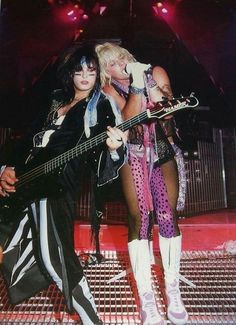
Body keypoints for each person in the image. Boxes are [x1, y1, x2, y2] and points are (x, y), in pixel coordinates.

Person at [0, 45, 128, 325]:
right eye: (79, 70)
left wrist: (114, 148)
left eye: (91, 72)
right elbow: (25, 140)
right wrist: (6, 168)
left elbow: (108, 151)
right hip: (25, 184)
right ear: (69, 73)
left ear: (98, 76)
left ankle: (92, 320)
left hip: (55, 189)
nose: (84, 76)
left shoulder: (100, 106)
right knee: (19, 244)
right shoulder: (56, 101)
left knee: (55, 260)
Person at [95, 42, 188, 325]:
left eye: (121, 56)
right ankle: (146, 297)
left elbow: (168, 112)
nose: (119, 63)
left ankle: (173, 290)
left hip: (161, 150)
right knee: (139, 219)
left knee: (168, 215)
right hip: (131, 153)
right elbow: (129, 117)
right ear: (104, 72)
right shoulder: (108, 89)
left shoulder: (155, 72)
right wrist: (136, 84)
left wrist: (147, 81)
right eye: (110, 63)